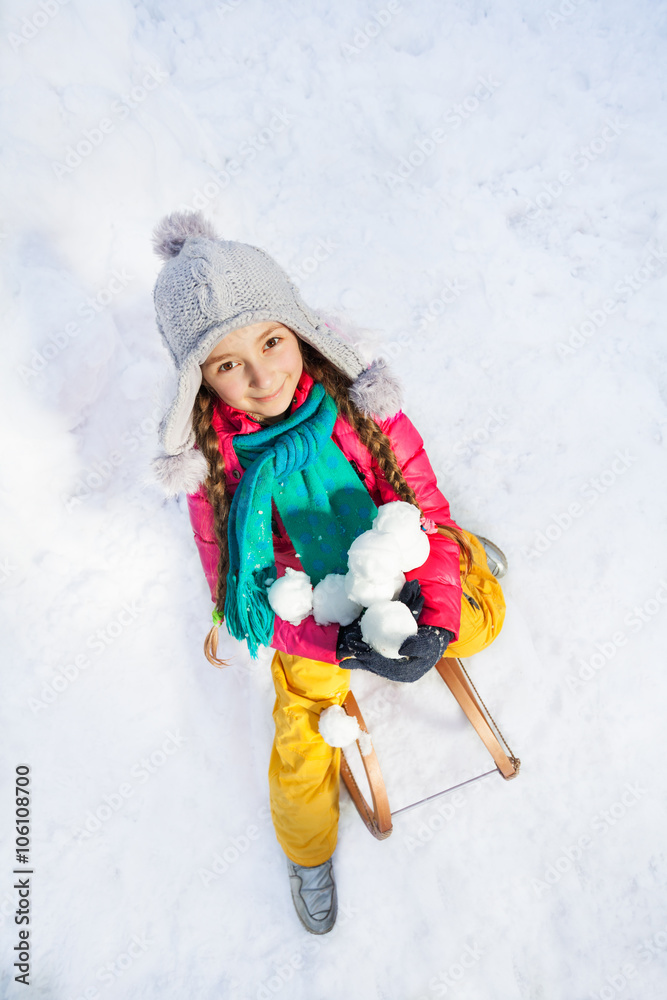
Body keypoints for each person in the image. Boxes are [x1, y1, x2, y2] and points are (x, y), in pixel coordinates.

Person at [151, 210, 506, 935]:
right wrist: (334, 646)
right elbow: (240, 587)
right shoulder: (213, 471)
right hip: (310, 606)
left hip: (396, 552)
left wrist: (432, 612)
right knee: (304, 725)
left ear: (299, 331)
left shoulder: (359, 404)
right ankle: (306, 850)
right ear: (199, 381)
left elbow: (420, 504)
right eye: (226, 364)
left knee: (475, 617)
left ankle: (466, 565)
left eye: (272, 341)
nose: (260, 375)